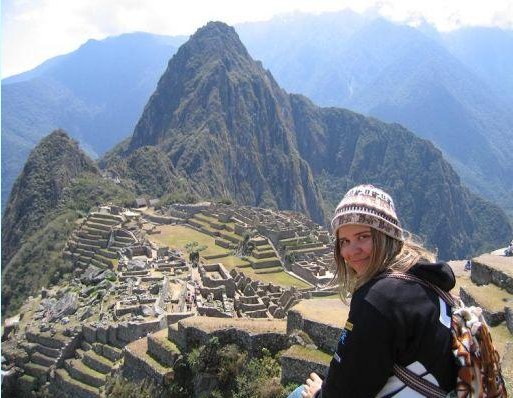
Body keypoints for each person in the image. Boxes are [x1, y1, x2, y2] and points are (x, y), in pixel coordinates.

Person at [290, 184, 457, 398]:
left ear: (385, 236)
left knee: (298, 394)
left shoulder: (378, 298)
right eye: (345, 241)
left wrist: (316, 394)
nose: (351, 251)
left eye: (363, 237)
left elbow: (343, 392)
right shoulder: (423, 277)